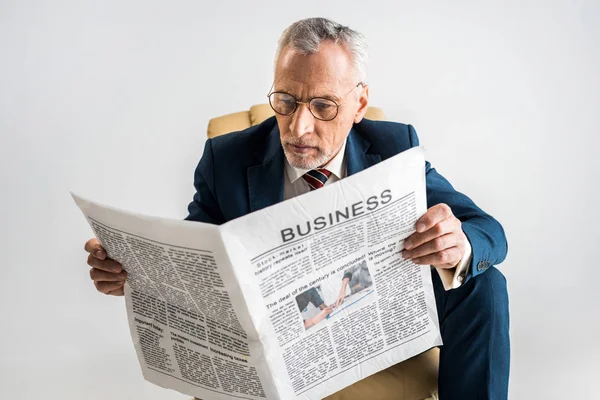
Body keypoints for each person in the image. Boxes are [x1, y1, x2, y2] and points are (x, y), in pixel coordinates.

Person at [84, 17, 509, 399]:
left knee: (485, 284)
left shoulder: (394, 147)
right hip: (282, 327)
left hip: (370, 302)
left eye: (323, 106)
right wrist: (135, 274)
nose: (299, 127)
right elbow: (197, 254)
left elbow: (487, 229)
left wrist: (459, 243)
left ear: (359, 104)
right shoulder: (226, 160)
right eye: (286, 101)